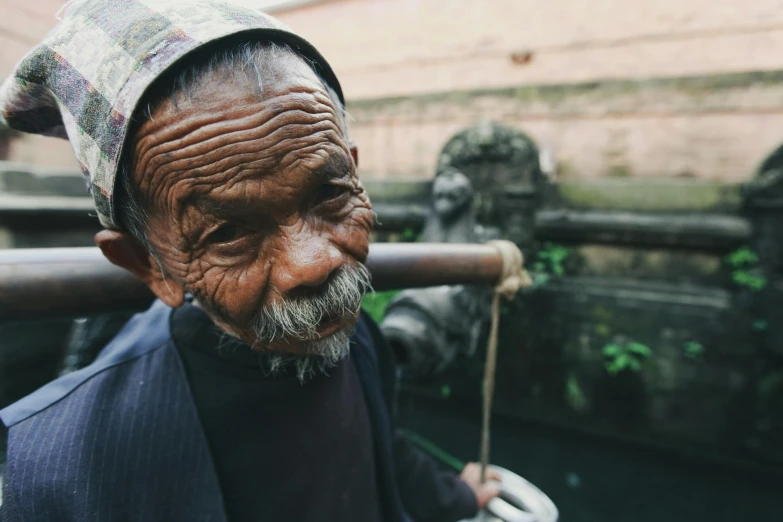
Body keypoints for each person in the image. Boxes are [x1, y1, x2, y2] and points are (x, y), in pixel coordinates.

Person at [0, 1, 500, 521]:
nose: (313, 264)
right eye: (229, 232)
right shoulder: (57, 473)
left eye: (329, 193)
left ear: (354, 172)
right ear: (147, 264)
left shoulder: (355, 339)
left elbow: (382, 453)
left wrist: (459, 498)